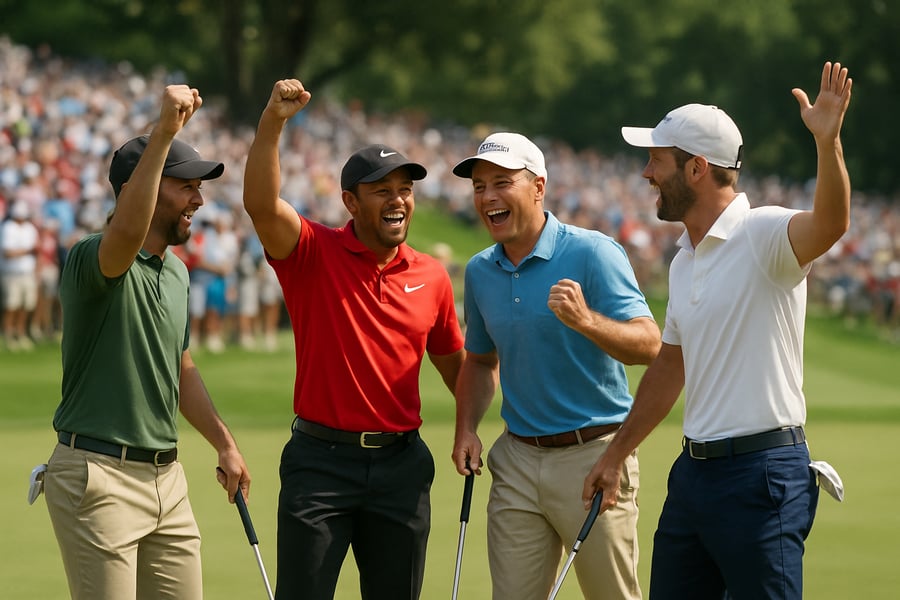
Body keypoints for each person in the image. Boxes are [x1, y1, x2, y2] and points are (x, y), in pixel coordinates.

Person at [582, 61, 853, 599]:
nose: (646, 173)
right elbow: (670, 366)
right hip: (693, 476)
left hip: (763, 474)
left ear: (697, 168)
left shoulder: (763, 232)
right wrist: (615, 455)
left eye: (657, 160)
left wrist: (828, 144)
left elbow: (830, 224)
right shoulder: (684, 259)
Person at [242, 79, 465, 600]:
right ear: (350, 201)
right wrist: (273, 121)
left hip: (402, 466)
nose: (398, 200)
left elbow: (457, 367)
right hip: (320, 464)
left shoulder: (432, 275)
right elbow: (261, 204)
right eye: (382, 190)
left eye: (405, 189)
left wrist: (472, 428)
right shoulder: (311, 252)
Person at [43, 84, 252, 600]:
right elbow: (124, 235)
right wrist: (164, 133)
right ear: (145, 185)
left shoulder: (177, 272)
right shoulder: (94, 256)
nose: (199, 200)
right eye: (186, 187)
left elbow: (181, 367)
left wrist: (224, 443)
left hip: (167, 480)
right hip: (98, 476)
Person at [450, 132, 661, 600]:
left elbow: (650, 345)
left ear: (538, 187)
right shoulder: (480, 271)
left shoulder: (593, 252)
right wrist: (466, 429)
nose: (487, 197)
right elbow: (480, 361)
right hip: (517, 461)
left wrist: (587, 321)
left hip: (594, 458)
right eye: (479, 186)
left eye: (501, 183)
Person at [1, 200, 39, 351]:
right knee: (11, 305)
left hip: (28, 272)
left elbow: (37, 249)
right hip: (12, 273)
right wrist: (27, 251)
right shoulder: (7, 228)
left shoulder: (30, 228)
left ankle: (20, 333)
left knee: (26, 305)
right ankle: (8, 334)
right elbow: (8, 253)